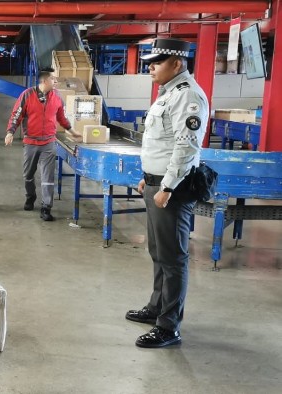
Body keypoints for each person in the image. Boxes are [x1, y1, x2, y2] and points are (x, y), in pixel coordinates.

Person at [126, 38, 209, 348]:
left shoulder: (188, 97)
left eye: (157, 61)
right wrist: (149, 179)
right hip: (157, 184)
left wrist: (167, 186)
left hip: (172, 189)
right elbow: (160, 144)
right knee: (158, 251)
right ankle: (156, 307)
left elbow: (186, 147)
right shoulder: (167, 94)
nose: (150, 66)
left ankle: (168, 326)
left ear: (176, 64)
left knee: (173, 257)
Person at [5, 67, 80, 221]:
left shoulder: (57, 96)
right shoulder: (27, 95)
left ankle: (46, 207)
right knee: (28, 175)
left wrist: (72, 131)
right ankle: (30, 196)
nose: (56, 81)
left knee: (48, 177)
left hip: (49, 142)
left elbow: (62, 118)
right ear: (45, 81)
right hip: (31, 142)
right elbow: (16, 115)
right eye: (53, 79)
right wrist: (10, 132)